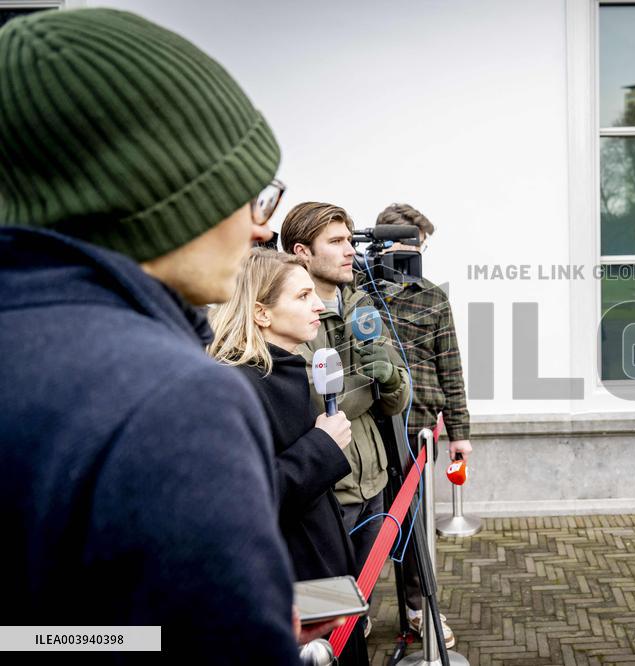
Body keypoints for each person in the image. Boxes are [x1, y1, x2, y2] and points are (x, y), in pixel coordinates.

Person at [0, 7, 328, 661]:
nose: (260, 229)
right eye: (248, 195)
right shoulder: (172, 401)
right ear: (161, 196)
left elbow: (26, 637)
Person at [209, 248, 368, 664]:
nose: (318, 304)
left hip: (319, 584)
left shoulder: (286, 369)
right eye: (302, 297)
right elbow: (242, 501)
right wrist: (321, 448)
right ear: (261, 313)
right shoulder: (234, 386)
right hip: (288, 594)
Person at [280, 202, 412, 632]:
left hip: (373, 478)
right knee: (324, 608)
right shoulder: (289, 315)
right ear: (302, 252)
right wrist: (365, 384)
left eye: (349, 240)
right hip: (325, 492)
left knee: (359, 600)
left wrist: (389, 379)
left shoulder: (361, 304)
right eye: (335, 242)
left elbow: (396, 400)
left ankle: (356, 636)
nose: (349, 251)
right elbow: (311, 406)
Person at [374, 203, 472, 647]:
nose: (415, 255)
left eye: (421, 247)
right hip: (365, 429)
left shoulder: (433, 296)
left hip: (417, 433)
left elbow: (450, 368)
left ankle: (417, 610)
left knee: (413, 525)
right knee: (366, 524)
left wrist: (460, 433)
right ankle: (349, 612)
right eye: (409, 245)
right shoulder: (359, 291)